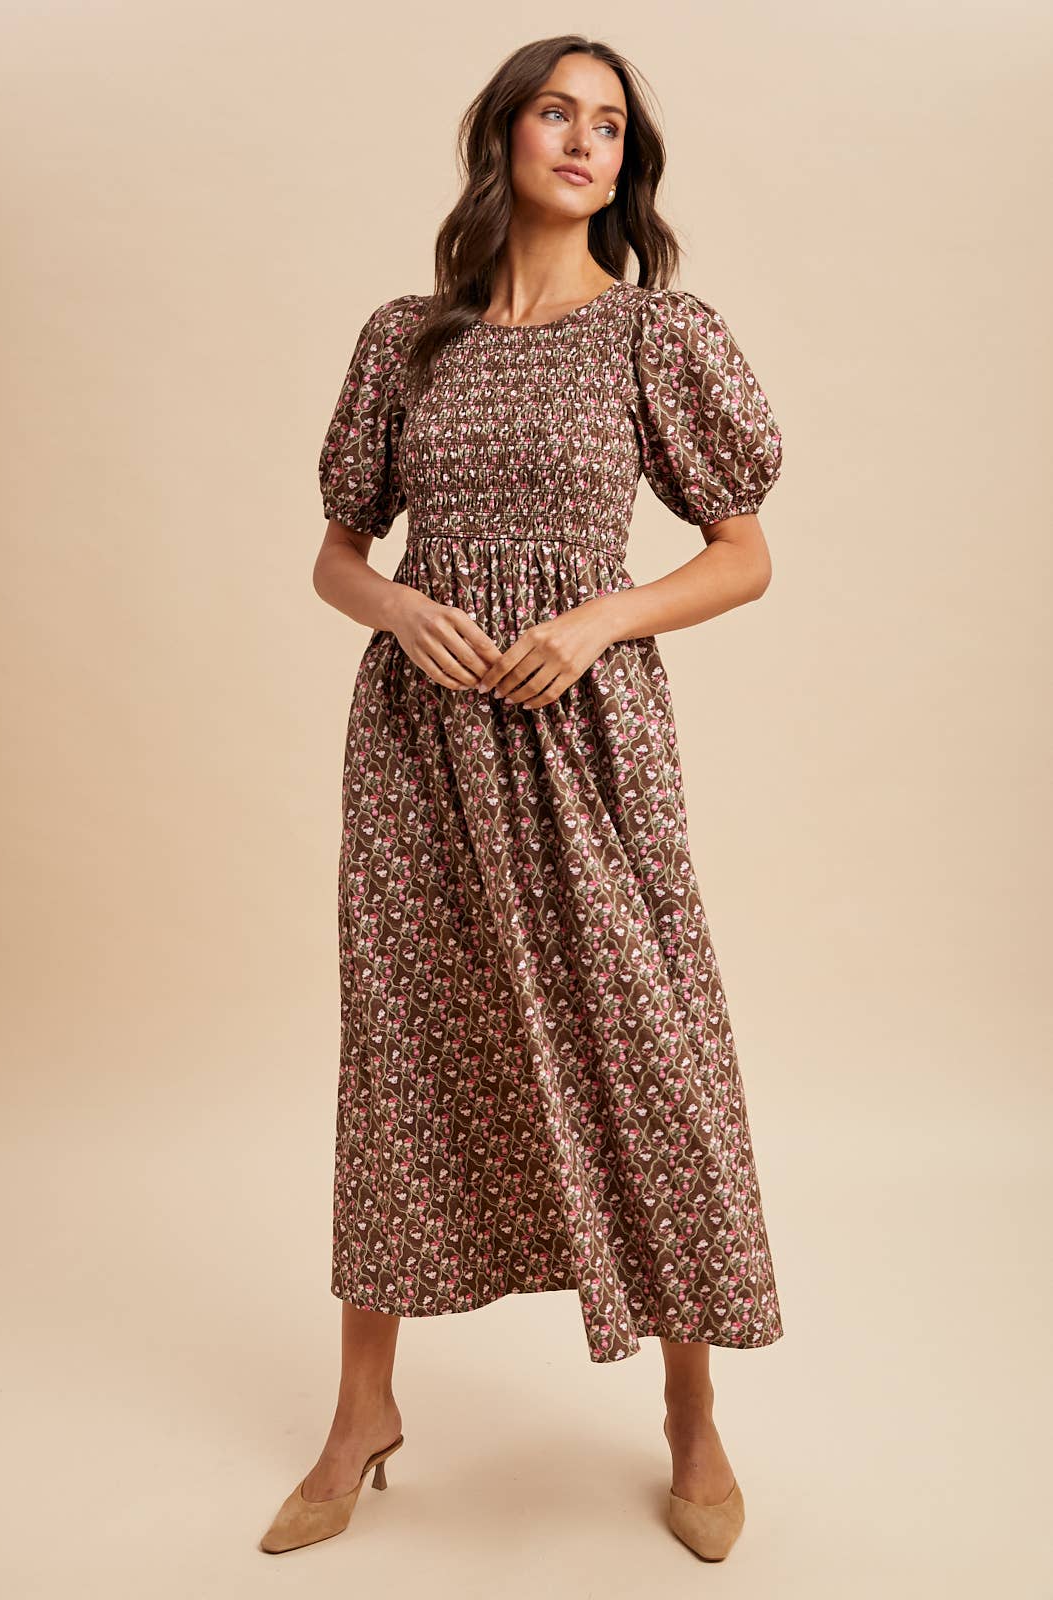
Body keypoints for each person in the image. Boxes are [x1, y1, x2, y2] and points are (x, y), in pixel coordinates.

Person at [260, 34, 785, 1563]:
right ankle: (363, 1414)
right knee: (409, 1052)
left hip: (590, 737)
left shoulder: (656, 337)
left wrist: (602, 617)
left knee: (649, 1046)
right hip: (420, 750)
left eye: (611, 123)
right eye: (559, 112)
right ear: (502, 137)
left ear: (627, 161)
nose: (587, 140)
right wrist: (392, 608)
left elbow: (744, 553)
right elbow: (337, 551)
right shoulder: (405, 340)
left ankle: (692, 1419)